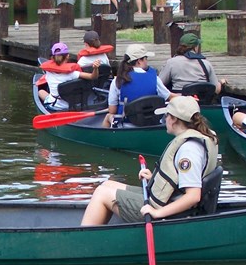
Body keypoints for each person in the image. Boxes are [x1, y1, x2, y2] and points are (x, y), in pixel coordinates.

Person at [81, 96, 219, 225]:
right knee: (107, 184)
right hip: (167, 200)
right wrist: (154, 178)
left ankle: (85, 240)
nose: (164, 120)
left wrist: (157, 213)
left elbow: (193, 196)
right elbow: (180, 181)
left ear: (174, 119)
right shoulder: (199, 139)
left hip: (166, 210)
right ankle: (99, 228)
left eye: (166, 116)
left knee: (101, 193)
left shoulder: (188, 151)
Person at [103, 43, 174, 128]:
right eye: (146, 58)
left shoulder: (117, 80)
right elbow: (169, 96)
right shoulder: (154, 78)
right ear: (139, 61)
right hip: (152, 123)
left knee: (108, 116)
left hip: (125, 124)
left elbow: (112, 110)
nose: (147, 61)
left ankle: (106, 139)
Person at [158, 33, 226, 95]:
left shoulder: (171, 62)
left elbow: (159, 84)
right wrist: (220, 82)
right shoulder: (206, 64)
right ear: (195, 47)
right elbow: (216, 90)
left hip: (179, 102)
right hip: (201, 102)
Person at [38, 42, 100, 111]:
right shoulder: (73, 74)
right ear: (67, 56)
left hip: (54, 105)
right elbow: (93, 77)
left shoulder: (48, 71)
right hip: (70, 105)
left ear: (52, 57)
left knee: (40, 91)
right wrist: (95, 68)